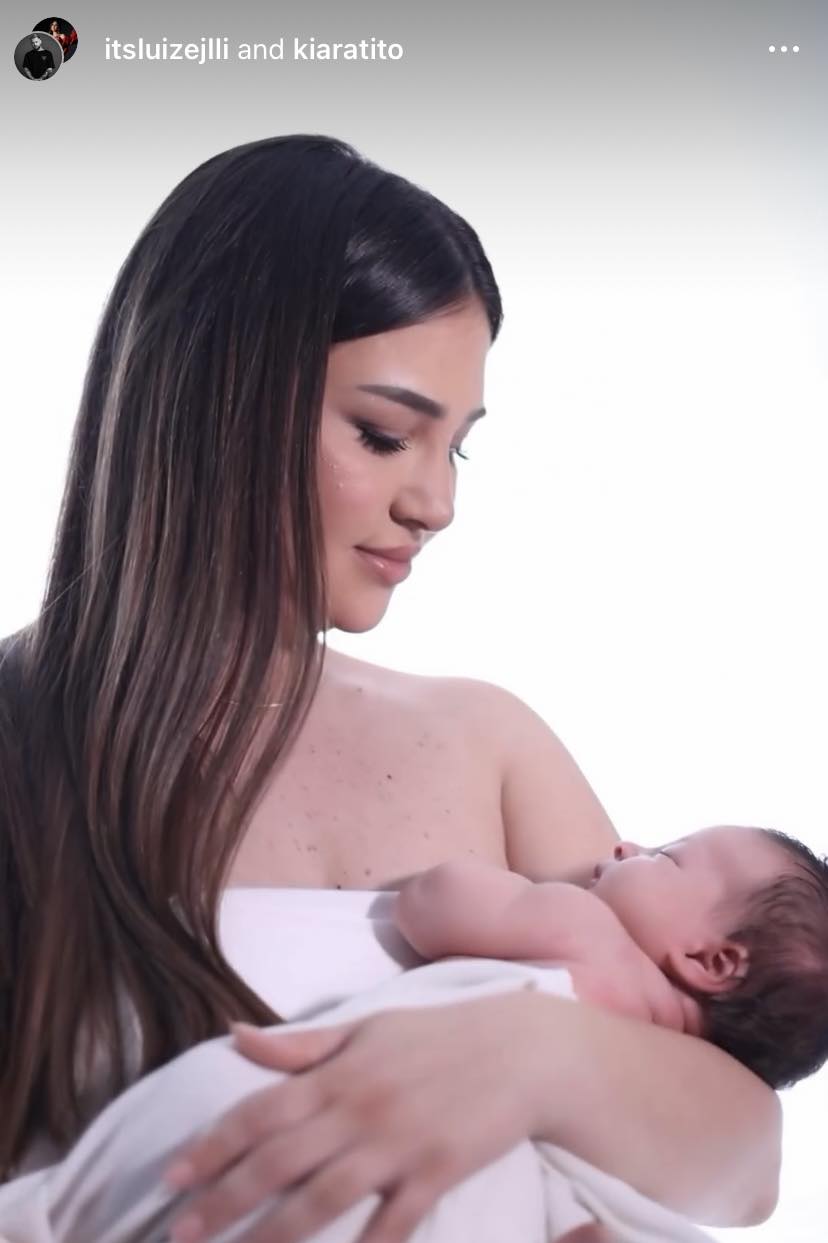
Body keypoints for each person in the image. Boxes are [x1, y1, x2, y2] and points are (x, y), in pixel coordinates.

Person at [0, 135, 781, 1243]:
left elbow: (745, 1160)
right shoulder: (20, 746)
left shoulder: (487, 741)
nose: (435, 505)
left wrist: (532, 1056)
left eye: (455, 449)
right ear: (217, 398)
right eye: (385, 434)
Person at [394, 824, 828, 1089]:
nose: (626, 846)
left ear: (710, 962)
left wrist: (526, 893)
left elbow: (429, 901)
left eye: (665, 856)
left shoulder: (587, 935)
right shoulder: (670, 1096)